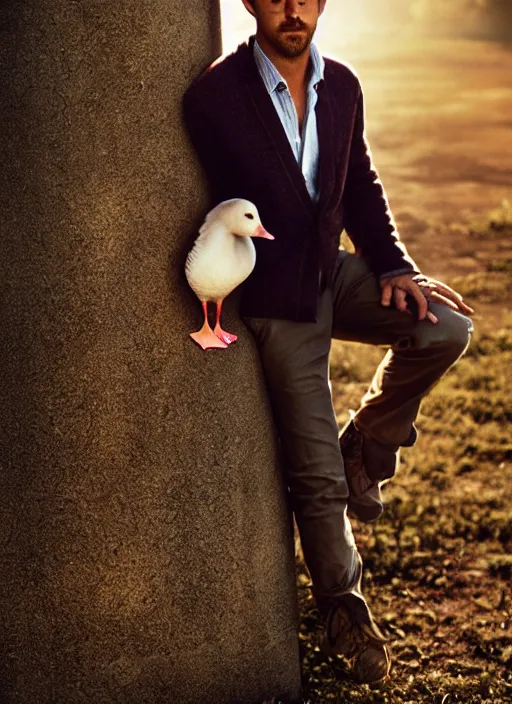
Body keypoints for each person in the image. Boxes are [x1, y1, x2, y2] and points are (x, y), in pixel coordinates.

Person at [182, 0, 474, 686]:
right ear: (251, 3)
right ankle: (345, 605)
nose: (293, 9)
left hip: (333, 273)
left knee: (446, 327)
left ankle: (366, 447)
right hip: (277, 303)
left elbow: (362, 187)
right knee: (314, 473)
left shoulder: (341, 84)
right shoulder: (216, 97)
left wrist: (396, 267)